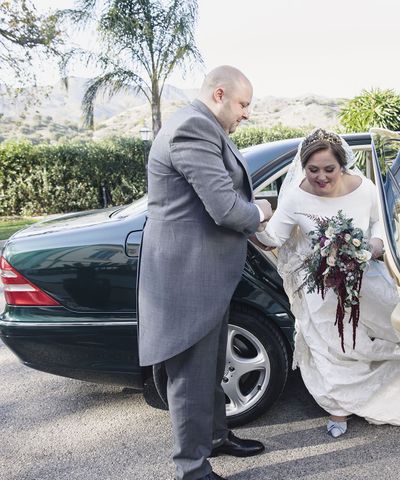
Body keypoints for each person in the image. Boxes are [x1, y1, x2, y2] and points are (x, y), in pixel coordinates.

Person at [137, 66, 270, 480]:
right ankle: (191, 469)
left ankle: (215, 438)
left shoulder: (205, 128)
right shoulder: (192, 128)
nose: (246, 113)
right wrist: (262, 211)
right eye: (243, 104)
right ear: (219, 94)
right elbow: (227, 209)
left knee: (210, 369)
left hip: (205, 276)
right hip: (186, 279)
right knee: (190, 381)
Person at [255, 129, 400, 438]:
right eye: (313, 169)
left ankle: (373, 396)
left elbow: (378, 220)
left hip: (363, 278)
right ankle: (338, 408)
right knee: (330, 348)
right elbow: (274, 238)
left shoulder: (365, 188)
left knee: (375, 337)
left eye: (329, 169)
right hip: (318, 286)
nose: (321, 176)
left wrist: (376, 243)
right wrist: (256, 224)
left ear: (342, 165)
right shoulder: (295, 196)